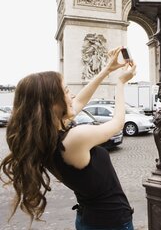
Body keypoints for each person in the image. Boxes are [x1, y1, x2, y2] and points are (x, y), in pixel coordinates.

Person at [0, 47, 137, 230]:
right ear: (52, 103)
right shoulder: (74, 138)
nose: (71, 94)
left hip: (91, 219)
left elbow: (79, 102)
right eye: (66, 90)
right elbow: (117, 123)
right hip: (111, 222)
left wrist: (107, 70)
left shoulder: (48, 139)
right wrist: (121, 83)